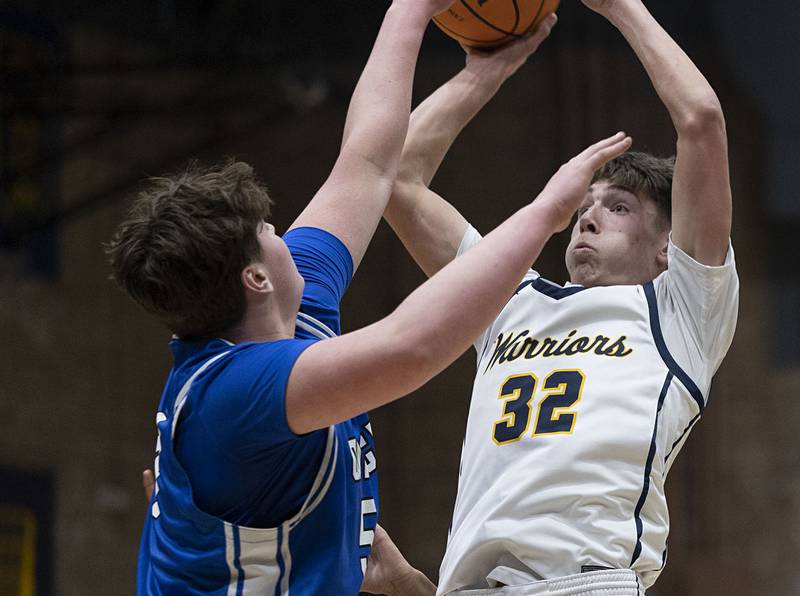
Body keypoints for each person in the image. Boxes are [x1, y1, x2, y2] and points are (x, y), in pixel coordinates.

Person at [105, 3, 624, 593]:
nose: (285, 234)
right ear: (256, 279)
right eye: (268, 233)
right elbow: (415, 345)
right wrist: (543, 214)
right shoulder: (237, 394)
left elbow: (367, 165)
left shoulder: (287, 316)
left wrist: (430, 27)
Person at [384, 1, 738, 594]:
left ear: (666, 248)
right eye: (583, 206)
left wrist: (621, 8)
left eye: (618, 208)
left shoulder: (681, 310)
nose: (588, 217)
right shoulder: (507, 299)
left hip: (583, 583)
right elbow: (395, 180)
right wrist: (485, 70)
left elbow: (701, 119)